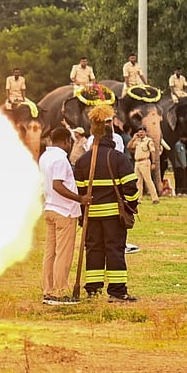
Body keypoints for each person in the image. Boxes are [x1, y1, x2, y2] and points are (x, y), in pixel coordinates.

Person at [73, 122, 140, 302]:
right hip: (113, 216)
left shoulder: (82, 161)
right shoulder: (118, 158)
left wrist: (82, 214)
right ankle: (117, 292)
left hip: (91, 216)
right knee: (115, 250)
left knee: (93, 250)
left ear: (94, 136)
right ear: (111, 137)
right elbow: (131, 188)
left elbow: (80, 192)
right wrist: (131, 206)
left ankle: (93, 290)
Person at [40, 128, 91, 306]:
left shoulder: (45, 157)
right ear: (66, 142)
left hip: (50, 208)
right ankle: (60, 292)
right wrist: (80, 199)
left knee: (50, 253)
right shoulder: (60, 158)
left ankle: (48, 290)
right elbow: (58, 185)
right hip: (64, 211)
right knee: (63, 253)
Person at [126, 126, 160, 204]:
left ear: (145, 133)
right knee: (138, 181)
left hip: (145, 162)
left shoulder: (148, 141)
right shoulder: (137, 141)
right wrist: (133, 139)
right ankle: (138, 199)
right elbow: (128, 147)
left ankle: (155, 198)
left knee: (148, 180)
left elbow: (152, 152)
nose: (140, 133)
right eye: (139, 132)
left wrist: (154, 163)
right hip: (137, 162)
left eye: (142, 132)